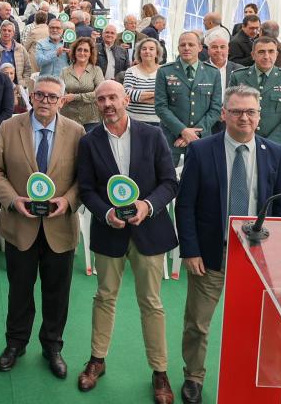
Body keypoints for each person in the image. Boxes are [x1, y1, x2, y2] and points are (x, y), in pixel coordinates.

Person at [175, 85, 281, 404]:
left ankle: (255, 377)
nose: (244, 117)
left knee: (258, 322)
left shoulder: (274, 152)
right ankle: (193, 377)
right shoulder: (201, 150)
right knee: (198, 322)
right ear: (224, 114)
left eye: (251, 112)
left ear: (259, 115)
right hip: (212, 252)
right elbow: (185, 205)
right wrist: (191, 249)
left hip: (257, 255)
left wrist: (280, 252)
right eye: (237, 111)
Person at [76, 80, 179, 404]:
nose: (107, 103)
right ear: (97, 103)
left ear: (125, 100)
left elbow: (169, 183)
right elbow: (86, 189)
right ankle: (97, 359)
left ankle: (159, 372)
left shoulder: (152, 135)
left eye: (112, 97)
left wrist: (147, 206)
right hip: (110, 232)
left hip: (148, 231)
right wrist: (106, 214)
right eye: (102, 99)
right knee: (104, 297)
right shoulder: (90, 141)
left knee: (151, 302)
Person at [0, 75, 84, 378]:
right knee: (19, 290)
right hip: (20, 226)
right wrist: (13, 200)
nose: (45, 101)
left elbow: (85, 178)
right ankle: (15, 343)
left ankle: (52, 346)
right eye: (40, 95)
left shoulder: (77, 132)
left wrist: (68, 200)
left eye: (53, 97)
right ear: (30, 95)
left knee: (57, 293)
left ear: (62, 101)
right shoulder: (9, 127)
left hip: (60, 228)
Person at [155, 32, 223, 165]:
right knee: (170, 180)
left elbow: (215, 109)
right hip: (172, 140)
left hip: (202, 140)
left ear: (199, 47)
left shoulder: (213, 73)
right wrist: (182, 130)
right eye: (182, 45)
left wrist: (193, 134)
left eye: (191, 44)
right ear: (178, 48)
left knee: (200, 181)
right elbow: (161, 107)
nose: (186, 48)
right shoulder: (165, 71)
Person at [228, 36, 281, 157]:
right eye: (261, 52)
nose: (266, 56)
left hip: (275, 147)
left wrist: (267, 144)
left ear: (276, 54)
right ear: (253, 55)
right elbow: (231, 111)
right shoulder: (238, 77)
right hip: (242, 145)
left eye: (271, 51)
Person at [60, 37, 104, 132]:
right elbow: (61, 93)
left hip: (91, 119)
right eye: (79, 50)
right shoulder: (64, 71)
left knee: (90, 146)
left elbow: (99, 93)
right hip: (68, 118)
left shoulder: (96, 71)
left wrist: (75, 97)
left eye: (86, 50)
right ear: (74, 52)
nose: (82, 53)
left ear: (90, 53)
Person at [203, 34, 240, 134]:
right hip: (205, 121)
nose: (219, 50)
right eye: (214, 47)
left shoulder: (239, 70)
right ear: (208, 50)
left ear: (228, 49)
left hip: (231, 121)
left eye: (222, 47)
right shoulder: (200, 69)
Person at [0, 19, 35, 88]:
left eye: (9, 31)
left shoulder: (20, 49)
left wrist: (23, 83)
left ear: (13, 33)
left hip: (17, 88)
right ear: (0, 31)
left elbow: (28, 68)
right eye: (4, 30)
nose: (6, 33)